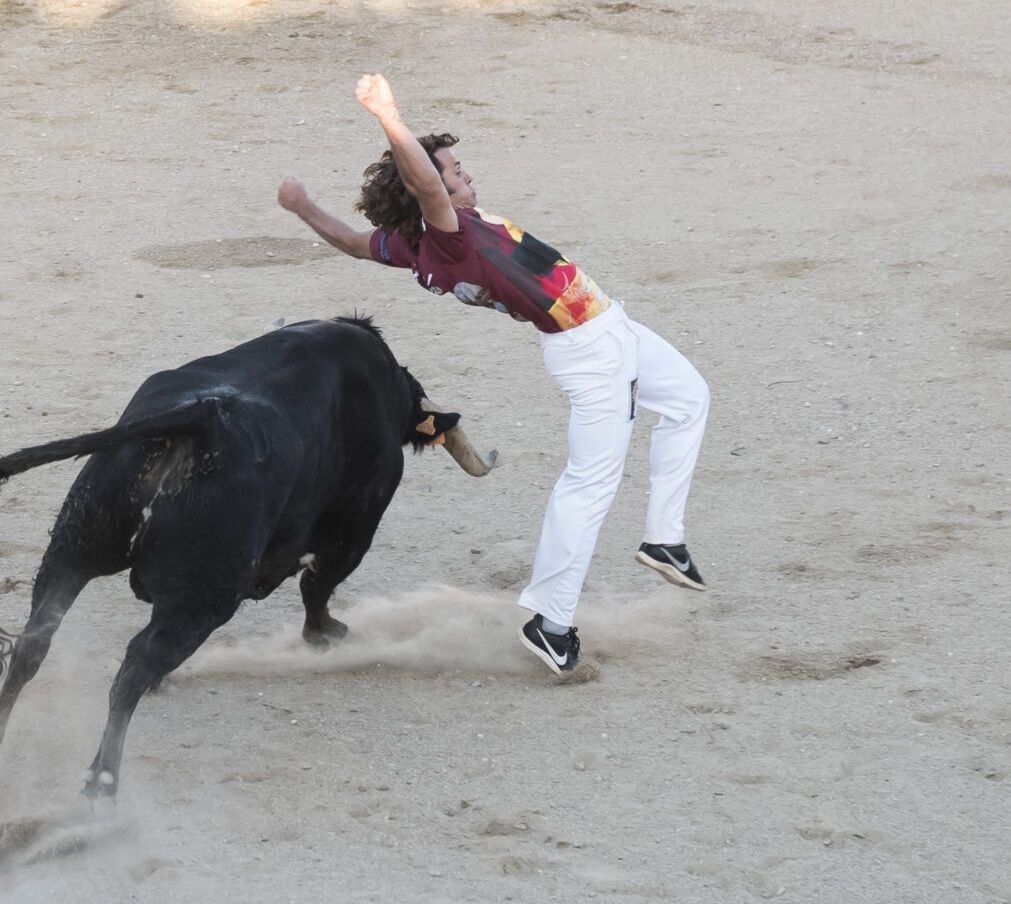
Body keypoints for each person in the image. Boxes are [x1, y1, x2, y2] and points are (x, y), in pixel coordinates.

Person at [275, 73, 711, 672]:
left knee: (689, 398)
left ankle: (665, 537)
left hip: (613, 330)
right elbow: (425, 187)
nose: (464, 175)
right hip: (590, 349)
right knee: (588, 486)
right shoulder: (446, 240)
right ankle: (551, 625)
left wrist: (302, 207)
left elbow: (353, 242)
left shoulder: (412, 247)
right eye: (455, 171)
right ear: (427, 188)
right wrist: (388, 116)